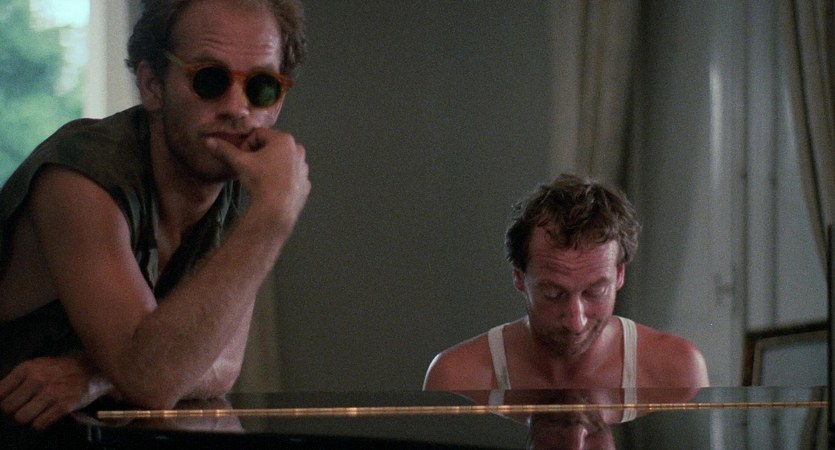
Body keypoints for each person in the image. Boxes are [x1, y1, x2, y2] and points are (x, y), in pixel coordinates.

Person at [0, 0, 309, 434]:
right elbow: (152, 381)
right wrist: (272, 215)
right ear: (151, 85)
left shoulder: (236, 176)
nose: (237, 108)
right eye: (210, 79)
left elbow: (223, 363)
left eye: (260, 86)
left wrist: (97, 374)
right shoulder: (80, 177)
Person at [423, 174, 709, 391]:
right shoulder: (457, 379)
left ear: (620, 275)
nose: (576, 322)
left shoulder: (676, 371)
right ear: (519, 277)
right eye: (553, 293)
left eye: (595, 291)